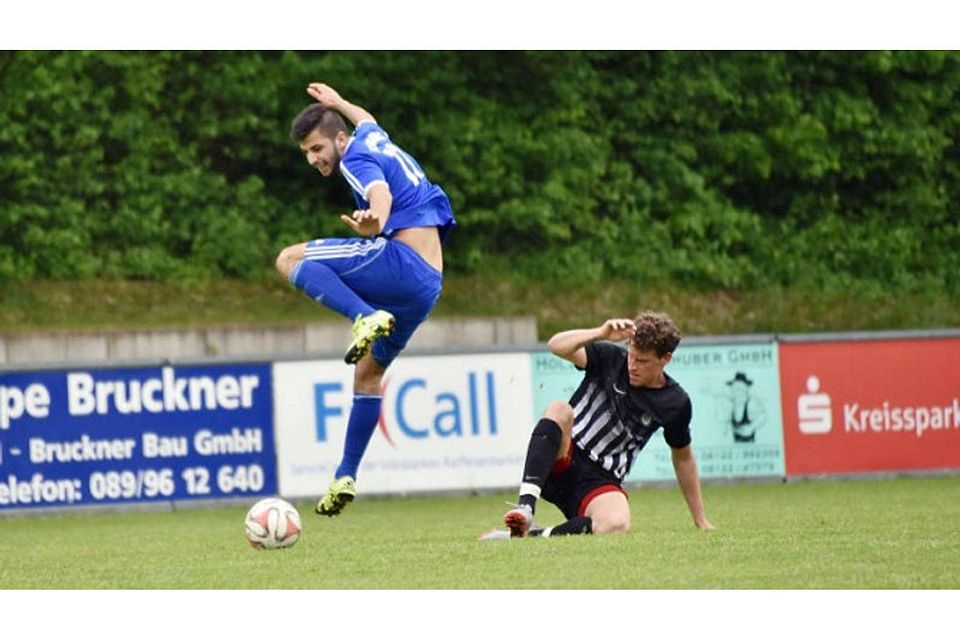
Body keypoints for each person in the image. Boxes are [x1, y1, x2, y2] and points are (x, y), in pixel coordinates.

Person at [275, 83, 456, 517]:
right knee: (368, 374)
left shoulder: (353, 158)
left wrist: (376, 220)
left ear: (338, 141)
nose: (313, 159)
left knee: (288, 258)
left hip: (401, 261)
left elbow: (381, 195)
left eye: (317, 148)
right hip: (428, 284)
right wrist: (338, 104)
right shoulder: (370, 137)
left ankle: (364, 316)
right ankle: (345, 475)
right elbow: (366, 118)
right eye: (305, 152)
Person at [481, 311, 715, 539]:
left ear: (666, 358)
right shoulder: (610, 358)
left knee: (616, 524)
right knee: (559, 409)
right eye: (632, 355)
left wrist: (700, 518)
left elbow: (683, 457)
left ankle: (529, 535)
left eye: (642, 361)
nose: (632, 366)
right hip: (563, 457)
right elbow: (556, 345)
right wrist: (599, 333)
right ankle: (526, 508)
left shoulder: (675, 403)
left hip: (600, 480)